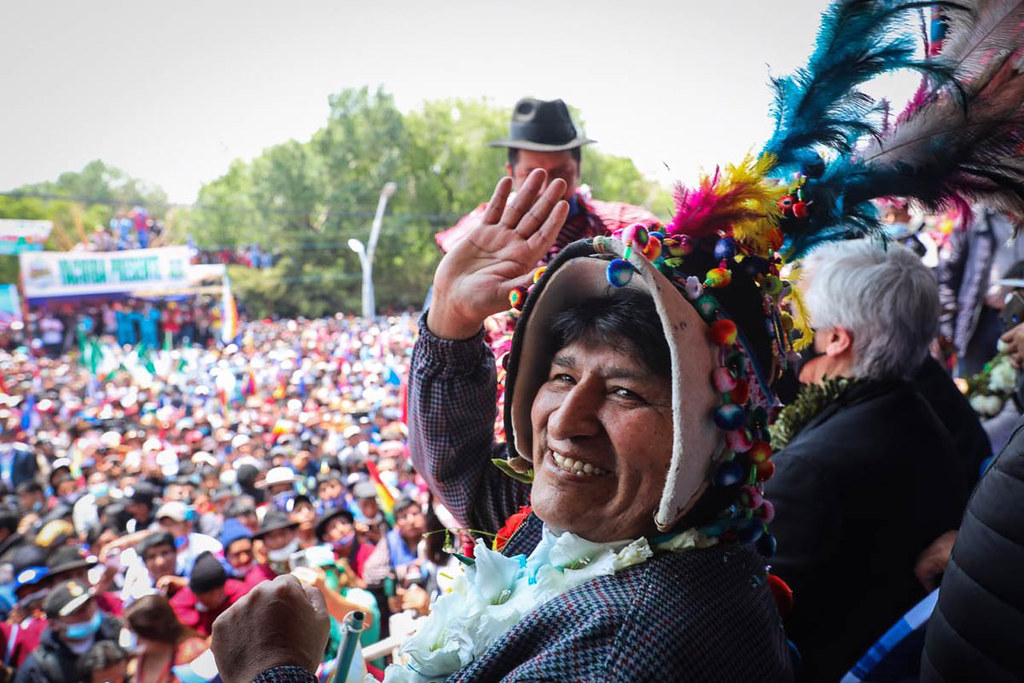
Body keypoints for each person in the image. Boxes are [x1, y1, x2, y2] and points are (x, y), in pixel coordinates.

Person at [215, 170, 794, 680]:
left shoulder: (626, 648)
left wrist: (270, 666)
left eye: (624, 392)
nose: (566, 420)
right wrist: (451, 317)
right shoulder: (591, 525)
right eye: (563, 376)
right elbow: (465, 476)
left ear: (715, 439)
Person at [764, 240, 969, 681]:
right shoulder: (910, 409)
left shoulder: (809, 471)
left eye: (794, 318)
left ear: (836, 339)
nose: (784, 333)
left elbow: (752, 618)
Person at [435, 97, 658, 264]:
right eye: (532, 176)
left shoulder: (625, 229)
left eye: (561, 173)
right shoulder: (474, 240)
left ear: (578, 168)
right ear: (511, 172)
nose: (547, 188)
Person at [15, 580, 121, 683]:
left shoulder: (118, 636)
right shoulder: (39, 667)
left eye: (89, 604)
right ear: (53, 624)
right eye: (77, 611)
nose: (87, 613)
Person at [124, 594, 207, 683]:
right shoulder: (144, 657)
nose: (136, 642)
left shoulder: (193, 652)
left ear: (156, 633)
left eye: (137, 635)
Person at [169, 551, 249, 637]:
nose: (198, 600)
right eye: (198, 596)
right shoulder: (183, 601)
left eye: (216, 593)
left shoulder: (240, 595)